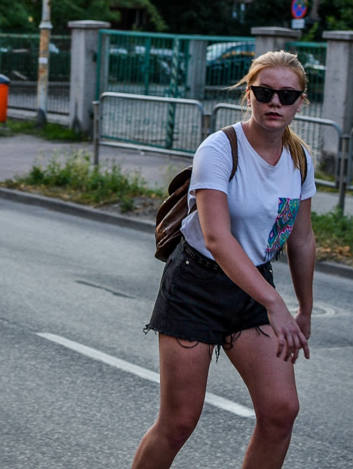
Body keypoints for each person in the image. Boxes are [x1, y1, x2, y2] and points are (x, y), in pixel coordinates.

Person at [132, 50, 317, 469]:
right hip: (197, 285)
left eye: (287, 96)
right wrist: (275, 303)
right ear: (247, 95)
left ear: (301, 103)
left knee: (280, 411)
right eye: (264, 92)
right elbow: (216, 237)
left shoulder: (300, 160)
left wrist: (304, 308)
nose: (275, 103)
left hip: (252, 288)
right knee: (178, 422)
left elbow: (302, 239)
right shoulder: (220, 148)